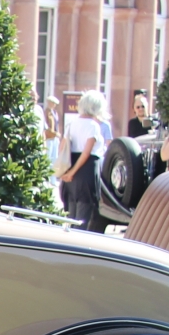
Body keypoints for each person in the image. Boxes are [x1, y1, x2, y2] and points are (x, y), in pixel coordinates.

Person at [60, 89, 108, 231]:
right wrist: (73, 171)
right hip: (86, 171)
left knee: (71, 216)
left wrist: (67, 172)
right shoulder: (93, 126)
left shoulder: (72, 123)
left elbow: (63, 147)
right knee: (83, 219)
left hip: (71, 168)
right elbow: (87, 152)